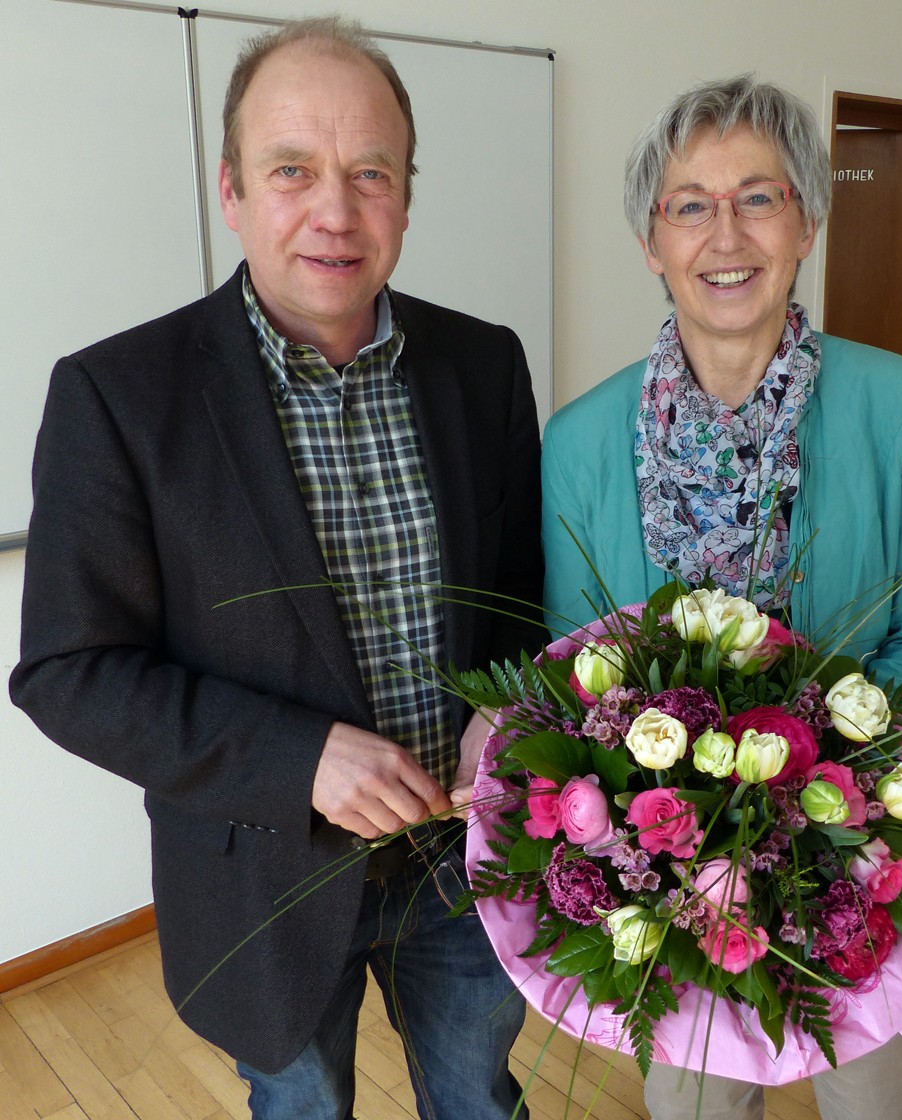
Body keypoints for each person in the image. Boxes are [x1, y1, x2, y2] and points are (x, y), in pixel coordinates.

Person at [10, 16, 542, 1120]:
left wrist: (514, 707)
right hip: (258, 884)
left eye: (370, 172)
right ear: (231, 189)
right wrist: (302, 758)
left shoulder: (484, 364)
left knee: (480, 1102)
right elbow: (68, 670)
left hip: (466, 865)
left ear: (406, 190)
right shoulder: (117, 395)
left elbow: (518, 603)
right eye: (292, 169)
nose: (335, 213)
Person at [541, 75, 902, 1120]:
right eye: (688, 204)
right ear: (652, 242)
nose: (723, 233)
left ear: (807, 222)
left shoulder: (893, 398)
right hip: (671, 868)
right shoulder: (578, 439)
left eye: (759, 196)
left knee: (875, 1100)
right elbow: (573, 674)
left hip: (855, 850)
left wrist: (837, 781)